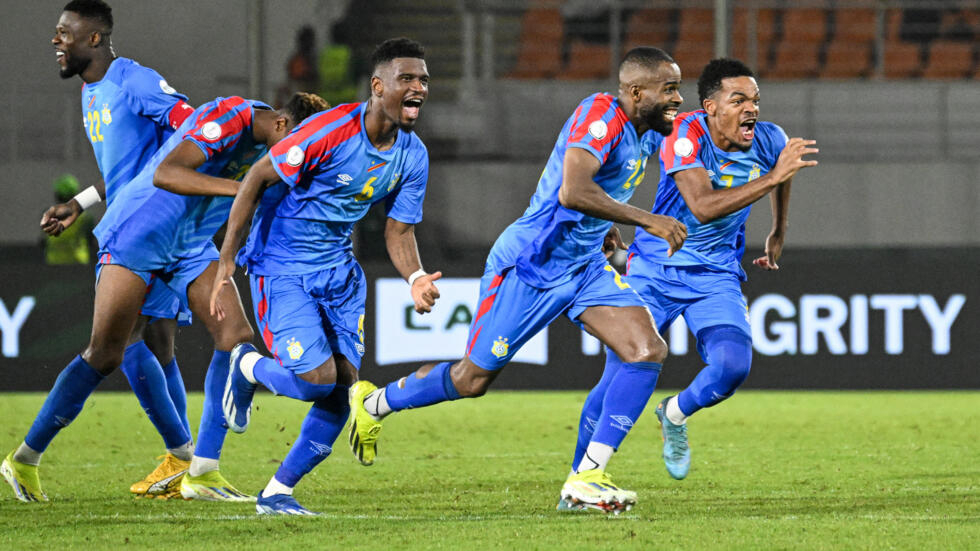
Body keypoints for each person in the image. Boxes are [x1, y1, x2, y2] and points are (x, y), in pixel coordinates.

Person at [347, 46, 686, 514]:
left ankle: (585, 479)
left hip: (584, 266)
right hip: (531, 265)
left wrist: (607, 226)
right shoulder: (600, 116)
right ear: (636, 92)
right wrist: (648, 220)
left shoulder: (645, 134)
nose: (678, 98)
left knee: (645, 350)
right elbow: (573, 190)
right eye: (669, 89)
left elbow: (599, 190)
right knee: (471, 380)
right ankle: (375, 404)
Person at [3, 84, 327, 503]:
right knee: (106, 354)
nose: (293, 161)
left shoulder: (273, 149)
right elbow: (165, 173)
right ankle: (25, 459)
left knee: (235, 336)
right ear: (281, 123)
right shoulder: (229, 116)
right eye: (297, 146)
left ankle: (202, 472)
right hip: (140, 232)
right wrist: (243, 190)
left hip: (188, 244)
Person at [212, 38, 439, 516]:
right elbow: (257, 178)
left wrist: (416, 276)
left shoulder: (413, 155)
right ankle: (248, 367)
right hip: (283, 268)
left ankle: (277, 492)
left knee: (344, 387)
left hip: (339, 272)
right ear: (378, 86)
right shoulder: (330, 130)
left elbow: (399, 230)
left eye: (423, 80)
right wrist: (227, 259)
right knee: (317, 380)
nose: (418, 87)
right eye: (407, 78)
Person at [1, 0, 198, 502]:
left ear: (94, 38)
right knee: (120, 347)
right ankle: (184, 458)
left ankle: (184, 464)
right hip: (134, 232)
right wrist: (80, 203)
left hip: (160, 229)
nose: (55, 40)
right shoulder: (92, 93)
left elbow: (197, 127)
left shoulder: (135, 81)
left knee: (154, 344)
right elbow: (125, 171)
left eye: (64, 32)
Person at [588, 58, 817, 482]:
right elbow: (703, 206)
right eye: (739, 100)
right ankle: (584, 478)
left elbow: (781, 175)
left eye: (755, 100)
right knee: (618, 377)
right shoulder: (683, 134)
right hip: (655, 268)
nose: (752, 109)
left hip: (715, 275)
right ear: (711, 107)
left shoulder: (770, 139)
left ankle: (674, 413)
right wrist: (773, 178)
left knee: (732, 366)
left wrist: (779, 229)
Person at [43, 174, 96, 265]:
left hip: (54, 263)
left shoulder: (48, 216)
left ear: (57, 195)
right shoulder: (85, 217)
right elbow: (91, 240)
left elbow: (44, 241)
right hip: (78, 263)